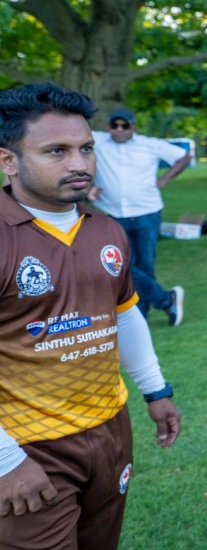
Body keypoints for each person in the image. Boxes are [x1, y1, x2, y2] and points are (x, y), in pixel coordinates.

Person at [0, 83, 181, 548]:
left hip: (109, 429)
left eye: (85, 149)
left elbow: (124, 315)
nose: (79, 164)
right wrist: (6, 461)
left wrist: (155, 390)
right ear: (7, 161)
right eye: (56, 151)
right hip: (28, 447)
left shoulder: (106, 230)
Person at [90, 108, 189, 326]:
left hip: (147, 213)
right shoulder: (98, 142)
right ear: (108, 127)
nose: (119, 130)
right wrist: (89, 186)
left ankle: (140, 315)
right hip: (113, 214)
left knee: (145, 265)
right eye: (114, 125)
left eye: (124, 125)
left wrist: (165, 179)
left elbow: (184, 157)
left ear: (133, 126)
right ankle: (166, 299)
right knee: (121, 266)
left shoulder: (150, 145)